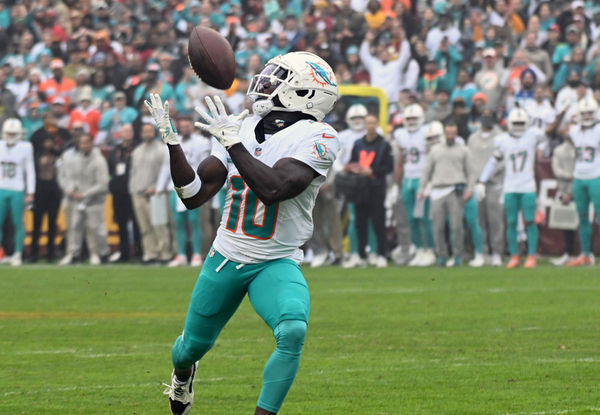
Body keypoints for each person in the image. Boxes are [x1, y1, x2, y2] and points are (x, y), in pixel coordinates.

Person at [146, 51, 339, 415]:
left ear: (303, 93)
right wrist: (172, 142)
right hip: (226, 257)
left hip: (275, 261)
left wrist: (233, 143)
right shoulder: (243, 126)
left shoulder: (320, 136)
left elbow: (276, 187)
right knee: (190, 348)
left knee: (292, 332)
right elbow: (193, 195)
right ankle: (183, 374)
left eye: (279, 77)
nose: (265, 81)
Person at [478, 108, 546, 269]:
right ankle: (514, 256)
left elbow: (543, 133)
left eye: (521, 123)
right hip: (510, 186)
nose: (518, 126)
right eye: (515, 123)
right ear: (509, 123)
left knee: (529, 221)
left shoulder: (532, 136)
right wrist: (482, 180)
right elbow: (493, 162)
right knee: (511, 222)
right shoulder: (502, 140)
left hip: (527, 185)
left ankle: (531, 256)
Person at [156, 117, 211, 267]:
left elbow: (204, 165)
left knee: (195, 221)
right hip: (174, 187)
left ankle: (196, 254)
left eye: (188, 126)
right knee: (178, 222)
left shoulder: (201, 142)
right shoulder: (173, 141)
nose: (185, 129)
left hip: (195, 186)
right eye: (183, 126)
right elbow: (166, 167)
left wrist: (203, 186)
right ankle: (180, 254)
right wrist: (160, 187)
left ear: (192, 127)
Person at [418, 121, 474, 267]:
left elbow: (471, 172)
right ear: (444, 133)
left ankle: (457, 255)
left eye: (453, 133)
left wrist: (470, 189)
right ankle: (441, 255)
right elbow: (427, 171)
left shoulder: (463, 150)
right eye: (448, 133)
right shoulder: (435, 150)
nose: (450, 136)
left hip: (454, 189)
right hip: (437, 190)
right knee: (438, 226)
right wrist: (421, 188)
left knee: (456, 226)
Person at [346, 113, 393, 267]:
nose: (370, 126)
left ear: (377, 124)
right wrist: (354, 169)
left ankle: (381, 254)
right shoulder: (358, 143)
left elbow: (389, 167)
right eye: (368, 123)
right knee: (360, 222)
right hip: (360, 188)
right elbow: (352, 162)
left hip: (377, 188)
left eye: (373, 123)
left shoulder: (384, 144)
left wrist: (372, 171)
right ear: (365, 125)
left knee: (378, 221)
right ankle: (361, 254)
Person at [393, 104, 435, 267]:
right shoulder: (400, 134)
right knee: (411, 218)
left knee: (425, 218)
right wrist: (396, 185)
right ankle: (418, 249)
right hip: (408, 180)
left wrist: (431, 181)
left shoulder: (427, 132)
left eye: (414, 118)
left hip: (422, 179)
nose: (411, 122)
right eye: (408, 119)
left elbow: (433, 157)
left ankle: (429, 249)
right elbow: (400, 161)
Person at [59, 133, 110, 265]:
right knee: (75, 228)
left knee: (97, 229)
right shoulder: (77, 159)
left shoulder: (99, 160)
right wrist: (74, 191)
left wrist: (85, 194)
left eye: (87, 143)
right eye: (82, 143)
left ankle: (104, 254)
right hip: (78, 199)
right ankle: (74, 255)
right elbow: (74, 179)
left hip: (94, 201)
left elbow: (102, 184)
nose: (84, 145)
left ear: (91, 143)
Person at [129, 123, 171, 264]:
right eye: (144, 131)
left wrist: (155, 187)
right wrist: (133, 189)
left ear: (154, 133)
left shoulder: (161, 149)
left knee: (159, 225)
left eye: (150, 131)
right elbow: (133, 173)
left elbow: (165, 172)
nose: (147, 134)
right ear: (141, 134)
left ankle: (164, 254)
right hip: (138, 193)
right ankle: (150, 253)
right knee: (145, 227)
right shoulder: (137, 151)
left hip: (155, 193)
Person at [566, 97, 600, 266]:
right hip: (579, 176)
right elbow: (564, 131)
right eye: (584, 113)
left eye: (590, 113)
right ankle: (585, 254)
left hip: (596, 176)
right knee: (583, 217)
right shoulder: (574, 130)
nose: (587, 116)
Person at [469, 110, 504, 266]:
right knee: (479, 220)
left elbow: (502, 161)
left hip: (494, 183)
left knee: (495, 220)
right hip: (477, 184)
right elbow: (470, 161)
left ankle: (497, 252)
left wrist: (487, 177)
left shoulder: (501, 136)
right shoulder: (473, 138)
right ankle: (481, 252)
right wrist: (476, 181)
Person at [0, 119, 35, 265]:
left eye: (14, 133)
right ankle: (2, 252)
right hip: (1, 188)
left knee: (17, 223)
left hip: (17, 189)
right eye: (9, 133)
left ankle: (18, 253)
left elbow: (30, 170)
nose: (11, 135)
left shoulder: (25, 147)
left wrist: (31, 192)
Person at [107, 124, 140, 263]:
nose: (127, 133)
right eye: (124, 131)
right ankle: (124, 253)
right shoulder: (115, 150)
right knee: (121, 224)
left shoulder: (137, 149)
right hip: (118, 192)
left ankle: (140, 252)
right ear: (120, 134)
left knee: (137, 224)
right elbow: (110, 170)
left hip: (133, 191)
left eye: (129, 131)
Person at [551, 137, 577, 266]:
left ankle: (586, 252)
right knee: (567, 223)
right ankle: (569, 253)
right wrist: (570, 176)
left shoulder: (585, 146)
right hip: (566, 188)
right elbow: (556, 170)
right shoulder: (560, 150)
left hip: (583, 187)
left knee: (584, 221)